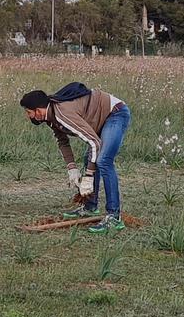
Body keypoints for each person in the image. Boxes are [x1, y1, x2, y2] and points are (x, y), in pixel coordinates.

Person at [21, 81, 131, 234]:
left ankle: (114, 217)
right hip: (100, 119)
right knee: (90, 158)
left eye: (28, 112)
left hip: (115, 114)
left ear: (38, 110)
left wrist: (88, 176)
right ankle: (90, 207)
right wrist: (72, 168)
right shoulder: (49, 115)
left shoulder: (62, 113)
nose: (28, 117)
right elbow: (62, 141)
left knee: (103, 161)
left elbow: (94, 143)